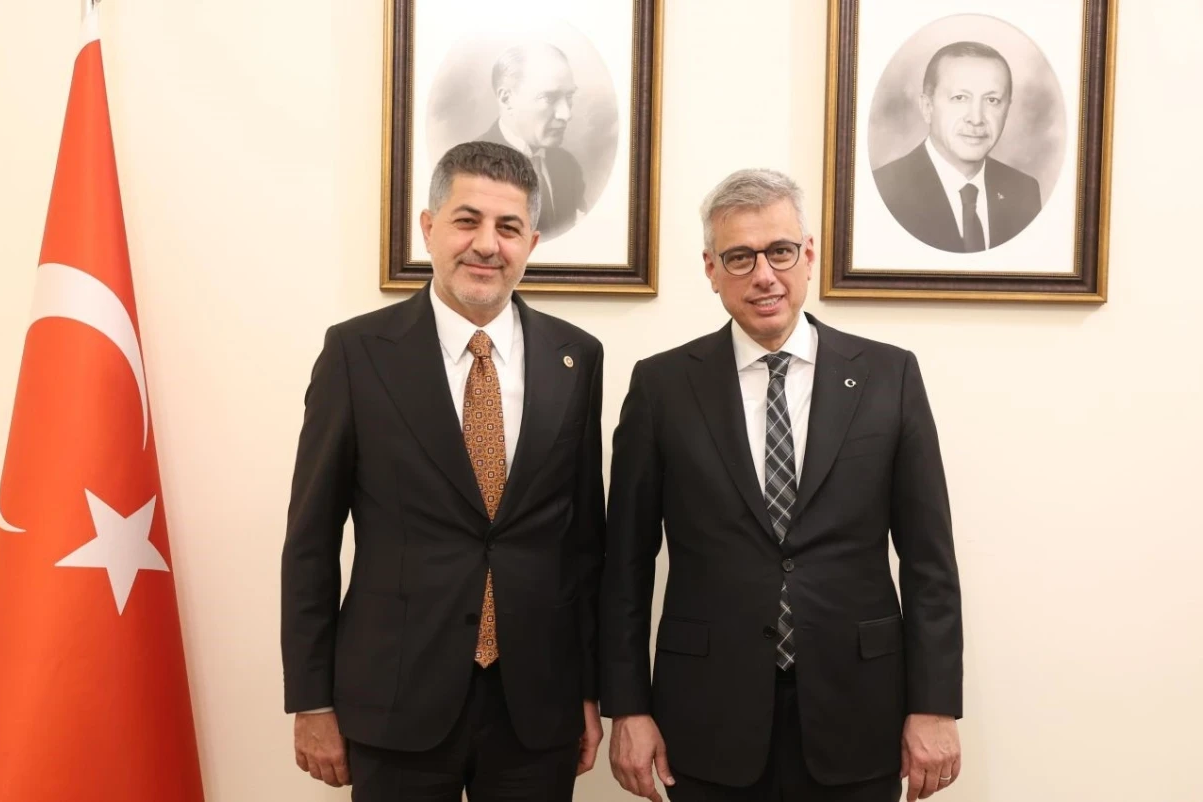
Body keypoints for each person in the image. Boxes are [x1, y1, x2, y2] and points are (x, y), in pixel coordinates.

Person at [600, 169, 963, 802]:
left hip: (859, 708)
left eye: (781, 251)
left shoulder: (889, 376)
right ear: (711, 269)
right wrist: (627, 709)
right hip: (707, 714)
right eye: (739, 257)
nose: (764, 275)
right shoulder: (661, 387)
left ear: (809, 255)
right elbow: (624, 566)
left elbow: (930, 560)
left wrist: (934, 705)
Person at [281, 140, 606, 801]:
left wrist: (588, 690)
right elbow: (311, 541)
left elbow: (584, 544)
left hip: (535, 706)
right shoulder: (357, 353)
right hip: (394, 698)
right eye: (467, 220)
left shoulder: (577, 357)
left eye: (508, 227)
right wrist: (311, 700)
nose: (487, 244)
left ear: (531, 243)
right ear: (429, 228)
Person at [873, 41, 1042, 253]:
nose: (976, 118)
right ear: (927, 107)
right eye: (960, 98)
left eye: (992, 100)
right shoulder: (883, 192)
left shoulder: (1024, 191)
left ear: (1007, 110)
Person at [478, 43, 587, 241]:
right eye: (549, 98)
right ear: (506, 99)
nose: (566, 114)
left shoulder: (568, 166)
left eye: (569, 96)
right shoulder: (469, 168)